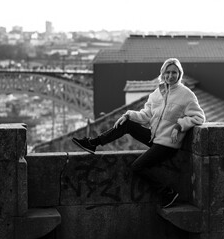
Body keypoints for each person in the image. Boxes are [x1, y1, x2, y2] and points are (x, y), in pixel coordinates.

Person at [72, 58, 205, 208]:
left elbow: (199, 117)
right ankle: (93, 143)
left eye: (174, 72)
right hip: (154, 137)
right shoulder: (157, 93)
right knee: (127, 124)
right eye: (167, 72)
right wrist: (129, 115)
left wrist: (180, 126)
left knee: (137, 167)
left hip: (167, 144)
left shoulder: (186, 95)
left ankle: (168, 193)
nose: (170, 76)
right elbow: (146, 115)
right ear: (162, 73)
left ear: (179, 74)